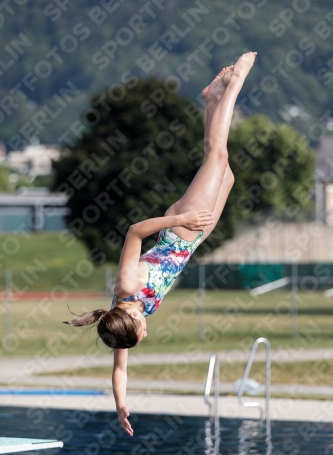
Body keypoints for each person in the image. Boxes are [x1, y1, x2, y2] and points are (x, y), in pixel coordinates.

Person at [64, 52, 257, 435]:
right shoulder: (122, 322)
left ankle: (234, 83)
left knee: (219, 155)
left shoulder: (126, 288)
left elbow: (135, 230)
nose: (145, 333)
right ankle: (212, 98)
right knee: (226, 175)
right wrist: (121, 406)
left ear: (131, 320)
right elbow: (119, 371)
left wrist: (181, 219)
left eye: (141, 331)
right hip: (193, 239)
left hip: (181, 228)